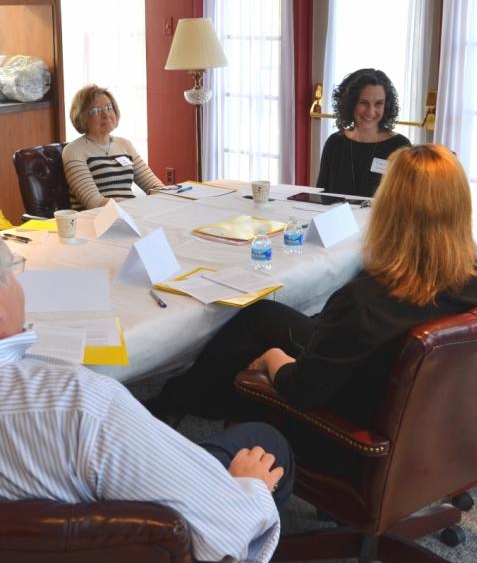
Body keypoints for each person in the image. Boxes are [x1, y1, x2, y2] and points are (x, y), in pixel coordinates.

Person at [147, 144, 477, 470]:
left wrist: (272, 358)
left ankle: (179, 401)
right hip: (433, 422)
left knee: (261, 340)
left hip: (354, 438)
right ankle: (183, 396)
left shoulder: (363, 302)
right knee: (262, 316)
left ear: (388, 210)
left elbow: (302, 390)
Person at [0, 239, 294, 563]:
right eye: (16, 271)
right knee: (264, 440)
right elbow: (224, 537)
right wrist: (250, 490)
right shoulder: (81, 403)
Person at [63, 84, 164, 209]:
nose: (106, 115)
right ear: (82, 117)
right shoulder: (74, 150)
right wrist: (137, 207)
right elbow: (93, 202)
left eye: (108, 107)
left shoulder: (125, 144)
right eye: (96, 111)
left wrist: (173, 195)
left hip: (131, 214)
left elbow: (154, 186)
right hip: (98, 220)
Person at [316, 68, 411, 197]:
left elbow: (407, 201)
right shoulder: (334, 142)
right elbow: (321, 194)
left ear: (386, 105)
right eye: (363, 103)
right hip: (338, 217)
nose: (371, 112)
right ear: (350, 103)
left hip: (379, 218)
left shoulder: (400, 147)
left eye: (379, 103)